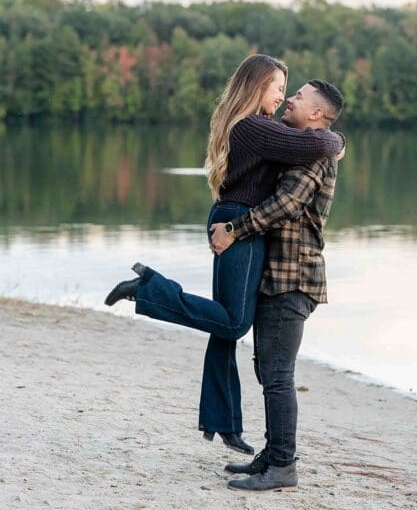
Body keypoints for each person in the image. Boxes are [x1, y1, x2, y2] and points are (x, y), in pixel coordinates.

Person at [104, 55, 343, 455]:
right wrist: (339, 140)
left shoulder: (255, 126)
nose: (283, 98)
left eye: (289, 92)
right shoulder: (256, 127)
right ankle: (148, 289)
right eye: (279, 88)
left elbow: (310, 141)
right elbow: (318, 141)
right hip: (238, 225)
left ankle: (223, 421)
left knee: (223, 322)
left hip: (235, 220)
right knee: (233, 322)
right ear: (257, 87)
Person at [204, 79, 345, 492]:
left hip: (294, 277)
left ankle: (283, 466)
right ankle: (273, 453)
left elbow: (286, 206)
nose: (291, 99)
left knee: (279, 374)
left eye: (299, 96)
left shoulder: (315, 155)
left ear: (317, 113)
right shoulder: (306, 145)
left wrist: (234, 228)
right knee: (267, 369)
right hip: (277, 276)